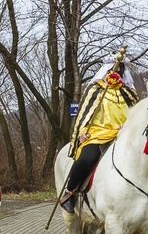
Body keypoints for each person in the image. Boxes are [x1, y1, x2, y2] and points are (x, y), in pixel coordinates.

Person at [60, 56, 139, 212]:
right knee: (86, 159)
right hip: (98, 134)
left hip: (122, 135)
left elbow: (136, 115)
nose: (117, 73)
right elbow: (84, 114)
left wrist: (129, 124)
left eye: (120, 70)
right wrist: (83, 133)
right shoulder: (94, 90)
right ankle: (70, 193)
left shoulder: (130, 93)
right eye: (114, 70)